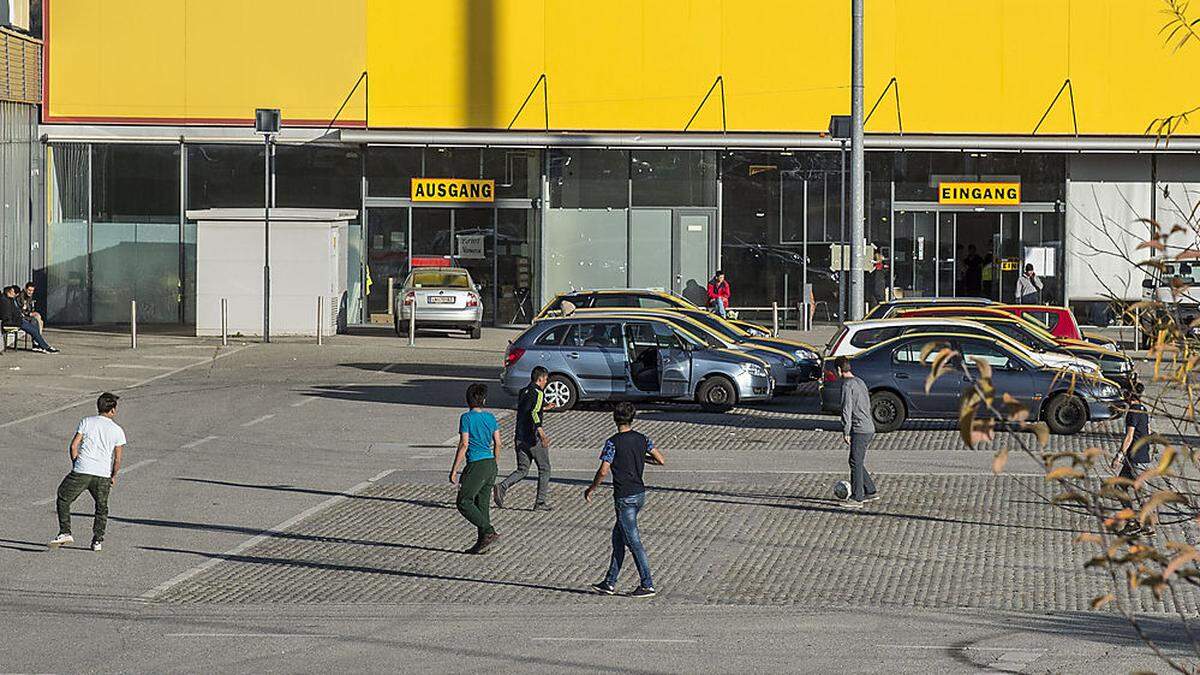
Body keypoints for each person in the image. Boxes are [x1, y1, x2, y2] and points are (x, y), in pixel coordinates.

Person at [584, 402, 665, 598]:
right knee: (618, 539)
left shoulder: (613, 442)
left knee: (633, 541)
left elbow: (604, 469)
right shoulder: (643, 439)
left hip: (624, 497)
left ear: (615, 419)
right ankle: (609, 582)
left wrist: (591, 488)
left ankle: (647, 584)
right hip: (639, 494)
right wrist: (640, 458)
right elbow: (660, 459)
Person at [49, 393, 126, 552]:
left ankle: (65, 532)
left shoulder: (86, 422)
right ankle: (97, 541)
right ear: (112, 410)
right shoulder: (117, 430)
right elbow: (117, 459)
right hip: (102, 474)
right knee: (101, 507)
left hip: (82, 470)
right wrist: (113, 476)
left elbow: (73, 446)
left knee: (64, 497)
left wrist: (76, 463)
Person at [449, 383, 502, 554]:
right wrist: (495, 462)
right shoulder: (491, 418)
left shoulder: (467, 418)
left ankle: (488, 530)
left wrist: (454, 469)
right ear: (484, 400)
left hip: (476, 464)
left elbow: (464, 444)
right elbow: (498, 443)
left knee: (464, 501)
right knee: (482, 505)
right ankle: (482, 542)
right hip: (490, 464)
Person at [494, 366, 555, 511]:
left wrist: (545, 408)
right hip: (532, 438)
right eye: (545, 380)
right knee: (545, 469)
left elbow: (527, 409)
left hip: (519, 437)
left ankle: (502, 486)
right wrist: (541, 432)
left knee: (522, 470)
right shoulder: (539, 393)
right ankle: (540, 502)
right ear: (540, 379)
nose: (546, 382)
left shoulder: (524, 391)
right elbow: (534, 412)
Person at [1111, 383, 1152, 535]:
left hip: (1135, 458)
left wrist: (1119, 456)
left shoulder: (1132, 413)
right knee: (1120, 487)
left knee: (1139, 492)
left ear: (1129, 395)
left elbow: (1129, 437)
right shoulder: (1144, 410)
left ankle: (1140, 523)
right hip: (1140, 457)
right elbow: (1148, 432)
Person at [837, 356, 877, 508]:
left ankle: (857, 497)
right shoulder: (860, 382)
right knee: (856, 460)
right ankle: (870, 489)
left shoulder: (847, 386)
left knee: (855, 462)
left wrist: (846, 431)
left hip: (859, 428)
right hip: (868, 426)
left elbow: (846, 409)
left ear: (839, 370)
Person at [1, 286, 57, 353]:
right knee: (34, 330)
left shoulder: (9, 299)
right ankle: (45, 347)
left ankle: (40, 345)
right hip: (13, 322)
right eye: (14, 294)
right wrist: (20, 317)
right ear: (11, 292)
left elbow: (15, 312)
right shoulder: (5, 301)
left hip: (17, 320)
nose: (15, 296)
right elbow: (7, 315)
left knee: (35, 326)